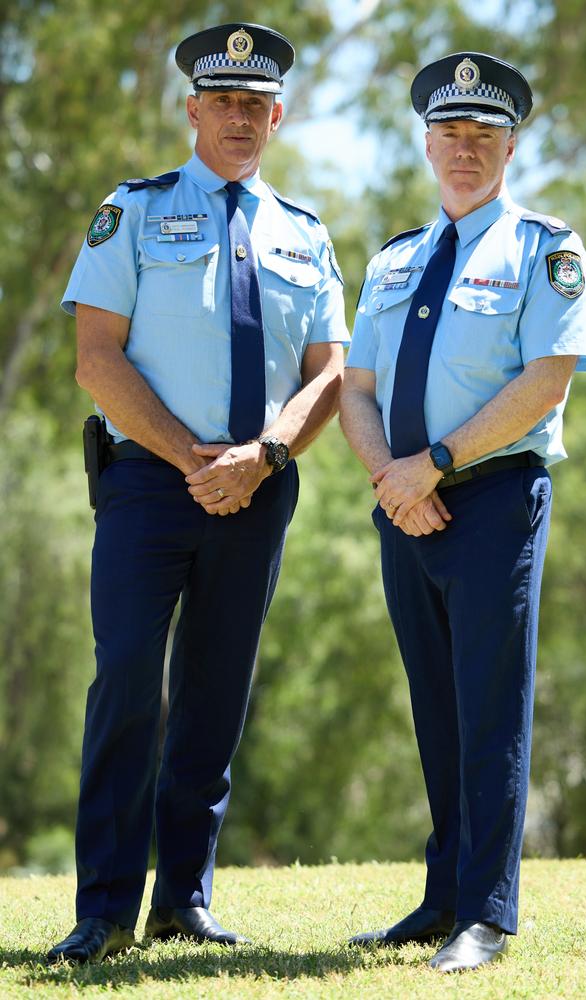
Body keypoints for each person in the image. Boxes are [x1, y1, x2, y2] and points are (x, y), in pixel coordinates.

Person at [48, 22, 348, 964]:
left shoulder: (305, 234)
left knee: (215, 695)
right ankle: (102, 908)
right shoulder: (131, 213)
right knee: (129, 679)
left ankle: (184, 899)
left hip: (259, 487)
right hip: (147, 483)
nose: (239, 118)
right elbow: (97, 360)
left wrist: (260, 455)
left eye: (255, 106)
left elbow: (331, 373)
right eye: (222, 102)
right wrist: (191, 458)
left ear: (277, 115)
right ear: (191, 110)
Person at [340, 52, 586, 973]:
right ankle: (442, 895)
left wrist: (438, 463)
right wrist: (392, 480)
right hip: (402, 507)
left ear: (510, 146)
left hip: (491, 497)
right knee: (435, 706)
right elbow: (355, 388)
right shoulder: (395, 259)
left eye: (483, 136)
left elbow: (548, 378)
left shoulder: (544, 248)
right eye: (450, 134)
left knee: (491, 704)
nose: (464, 150)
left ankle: (485, 914)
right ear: (427, 143)